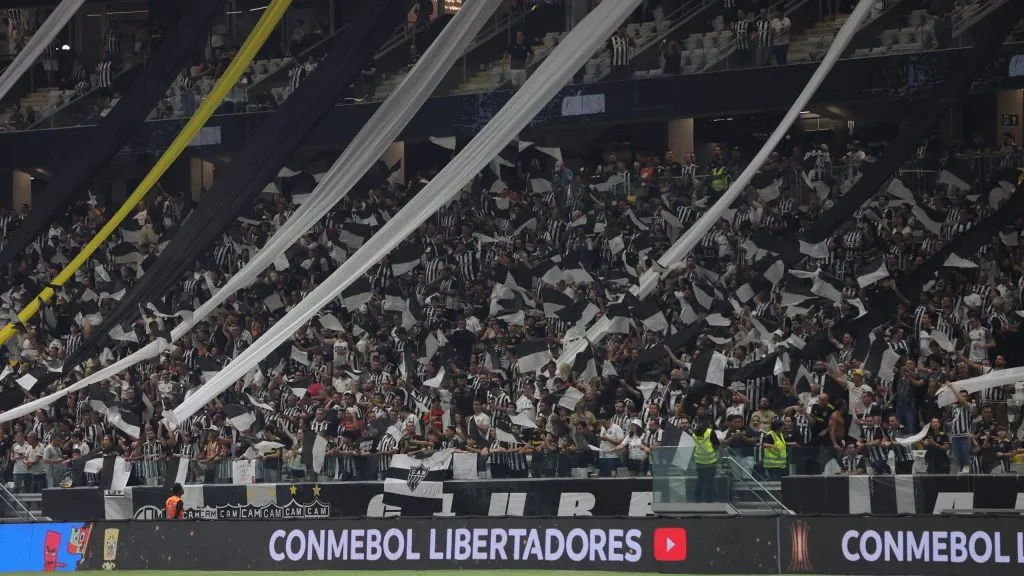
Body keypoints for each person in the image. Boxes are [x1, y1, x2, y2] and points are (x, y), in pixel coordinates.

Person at [691, 415, 720, 503]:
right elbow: (717, 445)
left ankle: (697, 498)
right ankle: (709, 499)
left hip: (699, 460)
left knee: (700, 479)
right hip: (710, 460)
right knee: (710, 480)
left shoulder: (694, 433)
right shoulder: (710, 432)